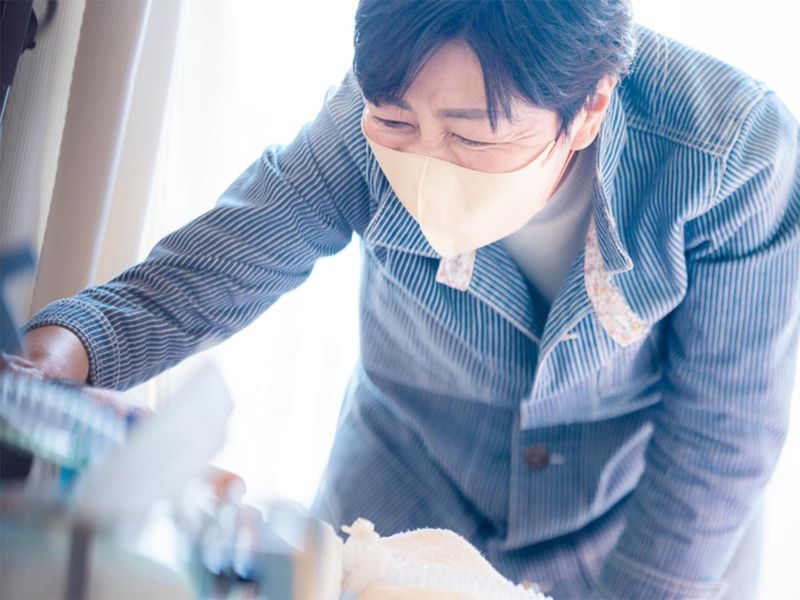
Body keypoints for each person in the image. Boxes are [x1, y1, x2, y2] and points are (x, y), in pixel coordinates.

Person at [3, 1, 799, 597]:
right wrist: (62, 357)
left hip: (631, 533)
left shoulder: (731, 156)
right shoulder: (360, 124)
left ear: (589, 107)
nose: (425, 164)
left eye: (473, 138)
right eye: (394, 122)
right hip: (399, 497)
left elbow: (720, 432)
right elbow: (229, 256)